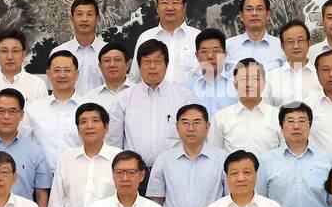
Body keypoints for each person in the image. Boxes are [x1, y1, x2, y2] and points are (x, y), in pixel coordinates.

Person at [119, 40, 193, 175]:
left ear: (166, 65)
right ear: (139, 65)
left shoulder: (183, 97)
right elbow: (114, 141)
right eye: (147, 62)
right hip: (134, 174)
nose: (152, 66)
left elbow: (192, 136)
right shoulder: (124, 98)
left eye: (158, 62)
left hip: (174, 172)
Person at [26, 50, 87, 181]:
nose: (62, 75)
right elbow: (25, 145)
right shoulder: (34, 108)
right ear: (48, 74)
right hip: (41, 180)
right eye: (57, 70)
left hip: (79, 177)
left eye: (67, 70)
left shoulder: (89, 109)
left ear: (76, 74)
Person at [210, 59, 282, 160]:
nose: (248, 84)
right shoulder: (220, 118)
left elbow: (284, 154)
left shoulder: (278, 117)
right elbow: (215, 156)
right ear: (235, 85)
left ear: (263, 84)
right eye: (243, 79)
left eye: (254, 79)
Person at [131, 0, 200, 84]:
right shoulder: (145, 37)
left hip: (190, 99)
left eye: (175, 2)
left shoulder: (198, 38)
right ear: (157, 7)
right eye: (164, 3)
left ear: (184, 7)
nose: (170, 7)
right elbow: (134, 79)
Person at [0, 30, 47, 110]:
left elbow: (42, 119)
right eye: (4, 51)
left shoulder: (38, 85)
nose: (10, 57)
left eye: (15, 51)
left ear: (23, 55)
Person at [50, 0, 106, 93]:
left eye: (89, 14)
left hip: (101, 107)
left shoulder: (108, 52)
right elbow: (53, 90)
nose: (84, 19)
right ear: (71, 19)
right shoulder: (58, 53)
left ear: (97, 19)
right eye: (79, 14)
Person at [265, 20, 321, 108]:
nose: (296, 46)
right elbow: (266, 112)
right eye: (290, 41)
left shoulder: (321, 75)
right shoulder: (272, 77)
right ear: (282, 46)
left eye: (300, 40)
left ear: (309, 43)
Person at [86, 41, 133, 147]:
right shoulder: (90, 98)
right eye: (107, 61)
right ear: (100, 66)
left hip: (132, 160)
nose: (112, 64)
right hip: (101, 159)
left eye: (117, 60)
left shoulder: (139, 93)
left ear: (127, 65)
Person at [183, 29, 237, 117]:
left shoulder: (238, 83)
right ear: (197, 56)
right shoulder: (186, 88)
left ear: (225, 54)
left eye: (216, 51)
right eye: (204, 51)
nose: (210, 56)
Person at [226, 0, 286, 71]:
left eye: (259, 9)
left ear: (268, 14)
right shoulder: (227, 46)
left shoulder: (281, 47)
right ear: (241, 16)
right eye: (249, 9)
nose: (254, 13)